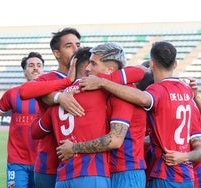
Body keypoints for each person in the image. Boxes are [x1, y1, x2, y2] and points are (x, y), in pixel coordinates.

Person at [78, 41, 201, 188]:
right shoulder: (186, 91)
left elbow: (142, 97)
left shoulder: (157, 90)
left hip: (161, 171)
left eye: (93, 64)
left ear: (152, 64)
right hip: (185, 174)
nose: (88, 68)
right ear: (175, 64)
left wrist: (103, 82)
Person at [31, 46, 146, 188]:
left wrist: (51, 98)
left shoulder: (121, 94)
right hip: (101, 171)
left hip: (124, 170)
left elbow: (35, 131)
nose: (88, 68)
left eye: (93, 64)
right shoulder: (98, 92)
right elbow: (141, 71)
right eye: (88, 63)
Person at [19, 27, 82, 188]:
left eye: (78, 44)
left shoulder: (88, 78)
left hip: (79, 163)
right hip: (49, 165)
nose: (76, 49)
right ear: (56, 53)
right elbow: (24, 91)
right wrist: (65, 84)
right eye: (69, 46)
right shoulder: (48, 79)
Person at [0, 52, 44, 188]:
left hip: (42, 161)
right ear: (24, 71)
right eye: (31, 65)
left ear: (43, 70)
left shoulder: (51, 96)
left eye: (39, 65)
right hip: (17, 161)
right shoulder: (12, 94)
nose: (35, 68)